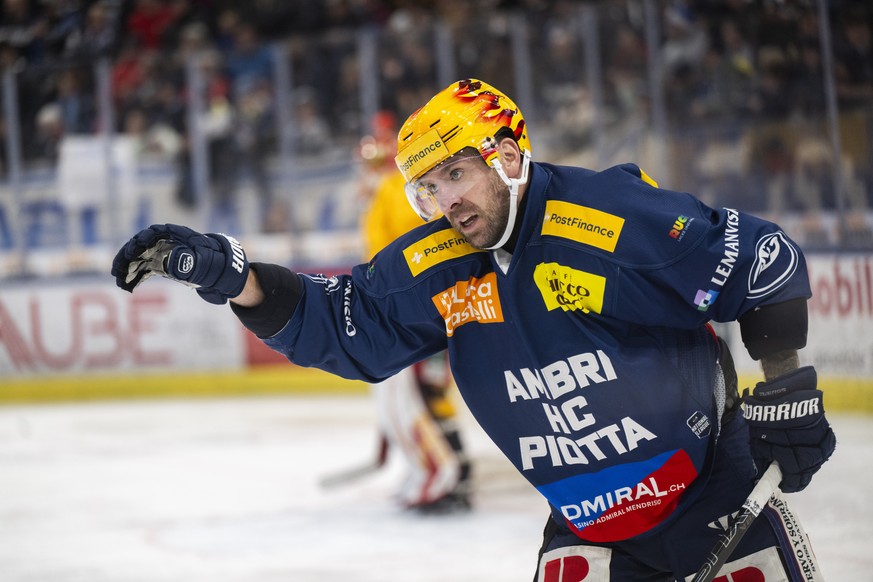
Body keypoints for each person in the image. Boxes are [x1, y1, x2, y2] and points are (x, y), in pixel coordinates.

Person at [112, 79, 836, 580]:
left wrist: (786, 387)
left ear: (508, 156)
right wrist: (232, 276)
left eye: (456, 174)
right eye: (427, 188)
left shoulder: (608, 217)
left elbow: (763, 261)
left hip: (715, 501)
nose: (445, 201)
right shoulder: (439, 264)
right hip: (587, 528)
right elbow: (342, 323)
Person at [356, 110, 472, 512]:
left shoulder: (395, 190)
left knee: (425, 392)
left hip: (421, 306)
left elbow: (385, 257)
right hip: (434, 302)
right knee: (429, 391)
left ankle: (448, 475)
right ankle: (451, 473)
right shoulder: (396, 191)